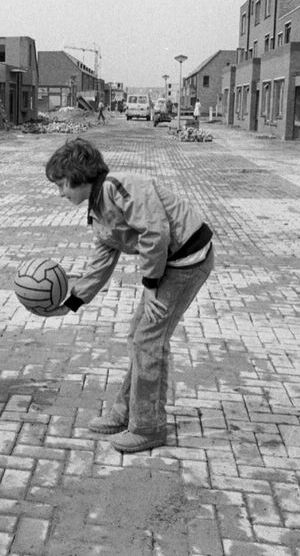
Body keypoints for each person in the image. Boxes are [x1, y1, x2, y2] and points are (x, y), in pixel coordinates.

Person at [42, 138, 214, 453]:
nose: (60, 193)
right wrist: (70, 303)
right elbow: (101, 263)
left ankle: (148, 428)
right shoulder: (98, 210)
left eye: (62, 184)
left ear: (80, 177)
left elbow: (155, 232)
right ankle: (128, 411)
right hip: (170, 264)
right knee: (139, 335)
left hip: (188, 260)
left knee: (148, 340)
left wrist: (150, 286)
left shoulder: (121, 187)